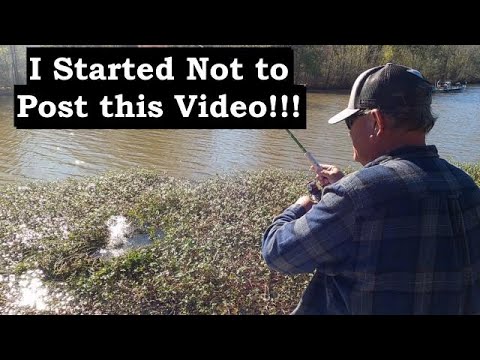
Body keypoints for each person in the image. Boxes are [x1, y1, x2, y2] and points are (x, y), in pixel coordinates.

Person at [262, 63, 480, 314]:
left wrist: (301, 206)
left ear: (376, 121)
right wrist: (346, 185)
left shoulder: (357, 196)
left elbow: (278, 253)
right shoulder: (466, 186)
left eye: (350, 122)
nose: (348, 134)